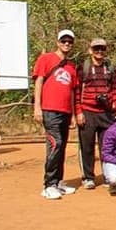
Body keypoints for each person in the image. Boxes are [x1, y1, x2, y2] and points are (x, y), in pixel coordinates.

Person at [33, 29, 80, 199]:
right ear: (57, 42)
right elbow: (38, 81)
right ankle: (48, 184)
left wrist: (74, 114)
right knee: (55, 144)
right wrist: (37, 107)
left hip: (66, 111)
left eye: (69, 42)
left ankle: (58, 181)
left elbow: (73, 92)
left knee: (62, 146)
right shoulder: (46, 59)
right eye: (63, 41)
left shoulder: (71, 66)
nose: (66, 44)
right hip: (50, 110)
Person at [76, 37, 116, 189]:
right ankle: (88, 177)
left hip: (107, 112)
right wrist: (78, 112)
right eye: (96, 49)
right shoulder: (83, 67)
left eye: (102, 49)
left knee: (107, 146)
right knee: (87, 146)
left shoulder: (110, 68)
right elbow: (76, 92)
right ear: (90, 50)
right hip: (88, 111)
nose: (99, 52)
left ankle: (108, 175)